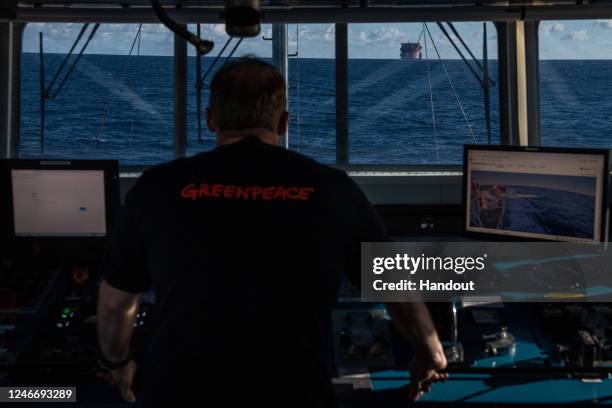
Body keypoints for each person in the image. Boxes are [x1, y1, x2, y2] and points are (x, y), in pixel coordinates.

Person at [96, 56, 447, 407]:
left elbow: (115, 305)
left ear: (209, 120)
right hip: (294, 392)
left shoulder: (157, 187)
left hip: (178, 392)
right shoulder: (332, 189)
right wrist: (430, 353)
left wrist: (119, 363)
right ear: (283, 123)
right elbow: (394, 285)